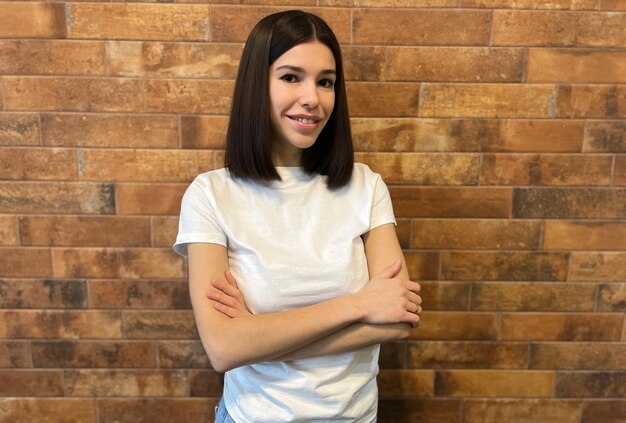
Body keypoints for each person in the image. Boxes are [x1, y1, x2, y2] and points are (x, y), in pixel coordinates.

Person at [173, 10, 422, 423]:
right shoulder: (210, 195)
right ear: (258, 84)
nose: (313, 98)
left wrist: (257, 336)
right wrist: (359, 305)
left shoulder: (365, 186)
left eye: (325, 82)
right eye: (291, 77)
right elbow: (222, 348)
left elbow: (398, 319)